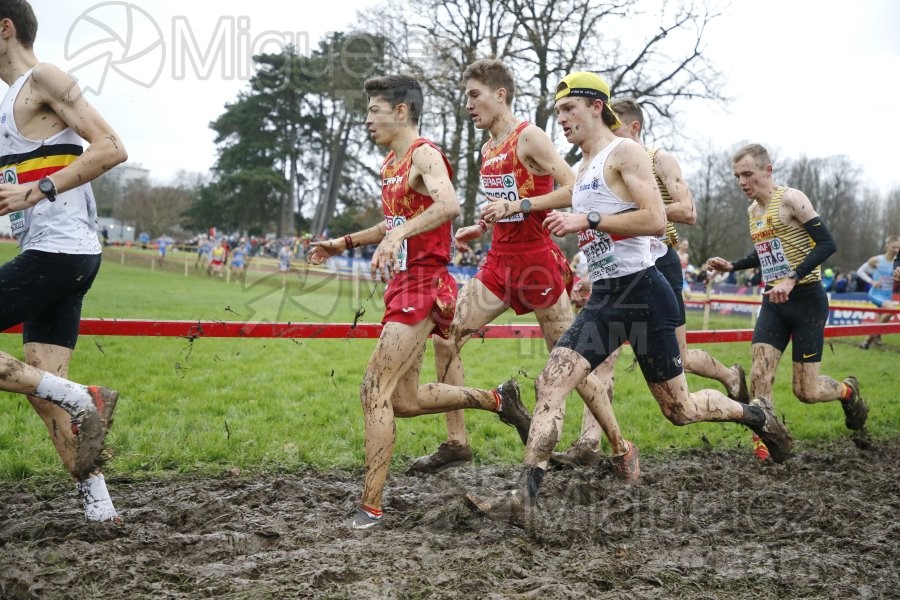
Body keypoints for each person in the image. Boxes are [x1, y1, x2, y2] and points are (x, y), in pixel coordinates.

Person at [466, 73, 789, 527]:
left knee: (681, 410)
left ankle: (756, 415)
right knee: (551, 382)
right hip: (605, 296)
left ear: (596, 107)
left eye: (568, 110)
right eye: (557, 112)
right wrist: (516, 209)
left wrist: (589, 219)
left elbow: (657, 218)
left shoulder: (626, 151)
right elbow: (563, 199)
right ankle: (525, 498)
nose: (560, 120)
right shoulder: (584, 165)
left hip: (644, 293)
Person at [308, 74, 531, 530]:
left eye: (374, 109)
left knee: (374, 390)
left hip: (425, 286)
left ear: (401, 111)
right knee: (405, 400)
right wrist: (342, 243)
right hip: (404, 285)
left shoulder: (425, 154)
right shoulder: (391, 163)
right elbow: (393, 222)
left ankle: (369, 507)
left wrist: (399, 234)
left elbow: (447, 205)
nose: (367, 118)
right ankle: (497, 399)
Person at [407, 59, 632, 478]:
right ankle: (457, 442)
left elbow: (574, 190)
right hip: (498, 263)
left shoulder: (529, 136)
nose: (469, 105)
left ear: (500, 95)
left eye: (474, 95)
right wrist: (482, 224)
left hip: (537, 265)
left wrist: (520, 205)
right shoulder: (488, 148)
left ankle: (619, 446)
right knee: (446, 339)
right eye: (466, 97)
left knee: (569, 365)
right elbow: (508, 204)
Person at [551, 98, 750, 467]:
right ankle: (590, 442)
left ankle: (729, 374)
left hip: (660, 263)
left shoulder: (656, 158)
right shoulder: (598, 162)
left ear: (634, 129)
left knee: (682, 363)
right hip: (618, 269)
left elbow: (687, 211)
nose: (609, 142)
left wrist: (630, 207)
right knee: (602, 358)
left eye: (617, 131)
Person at [0, 0, 126, 522]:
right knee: (43, 393)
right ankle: (101, 510)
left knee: (58, 393)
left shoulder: (43, 77)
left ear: (4, 28)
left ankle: (81, 395)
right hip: (56, 254)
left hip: (62, 251)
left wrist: (37, 191)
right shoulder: (12, 100)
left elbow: (112, 147)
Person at [706, 143, 868, 458]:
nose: (742, 182)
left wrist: (792, 278)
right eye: (738, 176)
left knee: (805, 391)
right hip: (774, 301)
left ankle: (847, 391)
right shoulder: (753, 211)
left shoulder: (791, 199)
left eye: (748, 174)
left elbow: (826, 243)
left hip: (807, 299)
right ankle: (765, 441)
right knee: (758, 373)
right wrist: (733, 265)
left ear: (768, 170)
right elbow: (766, 253)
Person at [855, 235, 899, 349]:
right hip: (876, 294)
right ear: (887, 246)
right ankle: (875, 335)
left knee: (881, 319)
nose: (896, 250)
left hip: (887, 295)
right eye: (893, 247)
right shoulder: (877, 260)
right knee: (891, 311)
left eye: (898, 248)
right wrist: (872, 281)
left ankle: (868, 341)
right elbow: (860, 271)